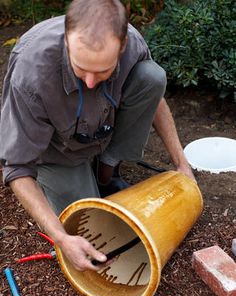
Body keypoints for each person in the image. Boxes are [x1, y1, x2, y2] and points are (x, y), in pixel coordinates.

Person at [0, 0, 194, 272]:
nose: (90, 82)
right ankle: (85, 178)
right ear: (67, 42)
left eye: (103, 71)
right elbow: (17, 168)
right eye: (81, 69)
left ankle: (107, 168)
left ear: (122, 46)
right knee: (96, 229)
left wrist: (181, 165)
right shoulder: (31, 75)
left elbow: (154, 97)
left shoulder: (132, 44)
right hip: (57, 152)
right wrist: (61, 237)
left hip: (100, 127)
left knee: (151, 76)